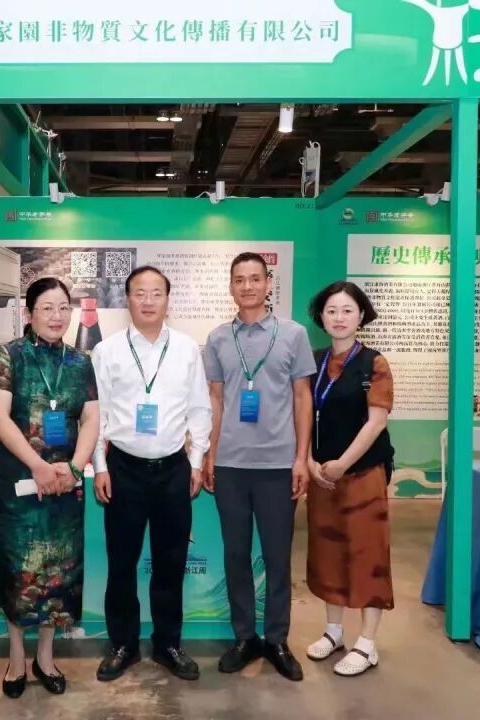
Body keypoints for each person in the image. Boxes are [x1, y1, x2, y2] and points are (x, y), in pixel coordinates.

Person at [91, 265, 212, 683]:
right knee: (122, 562)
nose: (147, 301)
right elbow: (97, 414)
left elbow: (200, 407)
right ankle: (123, 644)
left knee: (170, 562)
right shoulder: (107, 351)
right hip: (123, 469)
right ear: (127, 299)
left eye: (156, 293)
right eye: (139, 293)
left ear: (167, 300)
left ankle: (167, 644)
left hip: (173, 470)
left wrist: (196, 461)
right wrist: (100, 466)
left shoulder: (186, 349)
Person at [0, 276, 99, 699]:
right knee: (18, 572)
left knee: (58, 574)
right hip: (18, 485)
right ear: (29, 313)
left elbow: (91, 417)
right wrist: (38, 466)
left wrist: (74, 467)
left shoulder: (80, 361)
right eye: (47, 308)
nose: (56, 316)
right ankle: (16, 658)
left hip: (64, 487)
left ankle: (45, 658)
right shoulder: (8, 355)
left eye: (63, 308)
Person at [204, 252, 316, 682]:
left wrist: (301, 457)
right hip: (231, 465)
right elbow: (215, 400)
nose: (247, 286)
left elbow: (303, 398)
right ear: (231, 286)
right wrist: (210, 454)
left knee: (276, 556)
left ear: (268, 284)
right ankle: (244, 637)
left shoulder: (293, 334)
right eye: (239, 280)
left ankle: (277, 640)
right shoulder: (218, 338)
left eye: (255, 279)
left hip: (277, 465)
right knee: (235, 554)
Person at [305, 280, 395, 678]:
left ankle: (367, 642)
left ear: (361, 316)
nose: (339, 318)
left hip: (362, 475)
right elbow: (302, 416)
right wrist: (309, 462)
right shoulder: (314, 362)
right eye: (331, 311)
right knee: (328, 552)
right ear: (321, 317)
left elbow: (376, 422)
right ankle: (334, 631)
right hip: (322, 476)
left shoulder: (374, 363)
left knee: (366, 555)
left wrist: (342, 463)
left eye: (347, 310)